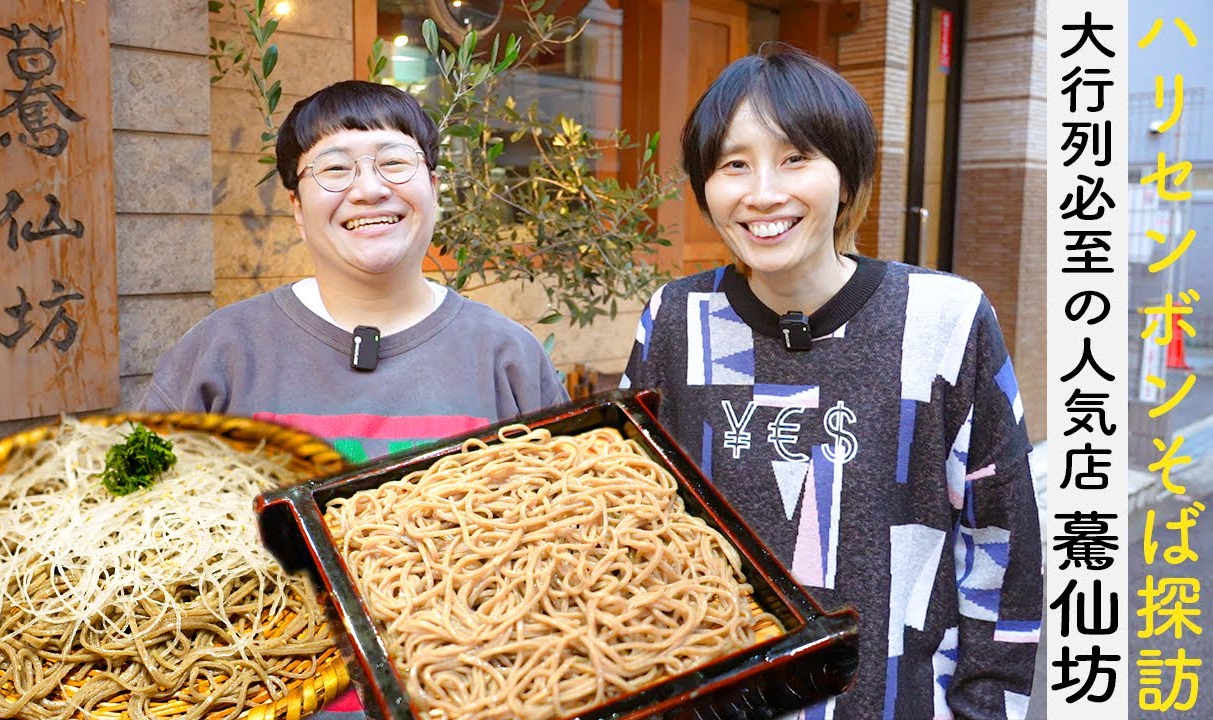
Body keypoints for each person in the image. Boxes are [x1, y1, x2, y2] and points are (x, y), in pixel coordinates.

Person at [621, 45, 1042, 719]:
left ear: (847, 176)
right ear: (705, 186)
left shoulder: (943, 318)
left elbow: (1004, 543)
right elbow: (633, 519)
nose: (763, 192)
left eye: (795, 158)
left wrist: (985, 708)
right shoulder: (676, 318)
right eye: (734, 164)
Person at [139, 80, 569, 718]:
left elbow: (570, 552)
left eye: (394, 162)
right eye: (334, 169)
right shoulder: (220, 355)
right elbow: (136, 544)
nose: (370, 189)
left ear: (433, 186)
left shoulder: (506, 356)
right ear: (295, 204)